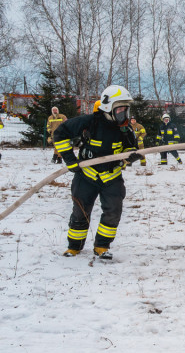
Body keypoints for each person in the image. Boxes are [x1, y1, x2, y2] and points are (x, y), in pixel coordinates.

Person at [52, 85, 142, 259]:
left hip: (112, 177)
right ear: (109, 107)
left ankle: (102, 246)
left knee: (113, 212)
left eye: (126, 109)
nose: (124, 113)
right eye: (121, 108)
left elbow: (132, 148)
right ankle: (74, 247)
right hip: (87, 175)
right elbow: (60, 134)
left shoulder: (124, 128)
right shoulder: (89, 121)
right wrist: (70, 160)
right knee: (80, 212)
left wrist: (131, 157)